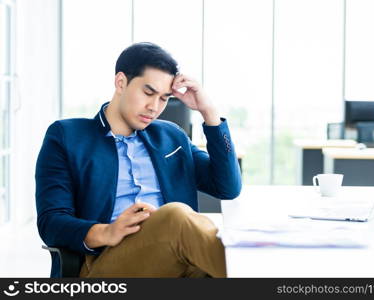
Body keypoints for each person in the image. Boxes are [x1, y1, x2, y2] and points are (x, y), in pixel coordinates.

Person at [35, 42, 242, 278]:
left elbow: (228, 187)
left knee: (205, 261)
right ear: (121, 82)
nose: (154, 107)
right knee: (176, 216)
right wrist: (107, 232)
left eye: (164, 98)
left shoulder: (171, 136)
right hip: (106, 263)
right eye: (148, 92)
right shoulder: (67, 136)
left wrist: (209, 112)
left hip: (178, 256)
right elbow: (51, 222)